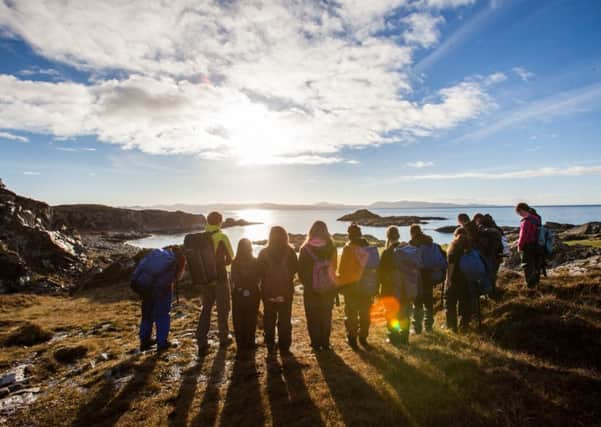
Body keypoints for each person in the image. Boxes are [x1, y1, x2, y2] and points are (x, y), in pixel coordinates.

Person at [132, 247, 187, 352]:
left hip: (146, 288)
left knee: (147, 314)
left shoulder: (160, 254)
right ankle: (162, 343)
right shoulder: (178, 259)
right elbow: (178, 277)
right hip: (162, 290)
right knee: (162, 315)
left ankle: (144, 341)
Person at [196, 211, 234, 352]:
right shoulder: (221, 236)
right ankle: (224, 337)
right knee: (223, 308)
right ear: (220, 222)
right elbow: (231, 257)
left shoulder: (200, 237)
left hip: (205, 279)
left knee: (206, 308)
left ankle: (201, 339)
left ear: (207, 221)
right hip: (220, 278)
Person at [257, 226, 299, 354]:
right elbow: (295, 269)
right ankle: (284, 344)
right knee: (285, 317)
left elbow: (259, 271)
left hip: (268, 290)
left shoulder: (263, 252)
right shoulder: (290, 252)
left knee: (269, 317)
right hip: (285, 290)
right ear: (285, 236)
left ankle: (270, 342)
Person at [298, 221, 338, 351]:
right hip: (328, 288)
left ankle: (315, 343)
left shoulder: (305, 249)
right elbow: (334, 267)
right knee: (326, 315)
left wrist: (308, 283)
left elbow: (300, 271)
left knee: (312, 316)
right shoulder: (332, 247)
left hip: (311, 289)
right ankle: (325, 342)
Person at [338, 223, 373, 350]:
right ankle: (363, 337)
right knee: (365, 312)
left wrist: (340, 284)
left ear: (349, 234)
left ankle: (352, 338)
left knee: (351, 313)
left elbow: (342, 269)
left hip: (351, 286)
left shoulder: (348, 248)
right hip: (367, 285)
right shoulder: (368, 247)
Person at [378, 226, 410, 346]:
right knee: (405, 313)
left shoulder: (387, 253)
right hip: (406, 287)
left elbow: (381, 273)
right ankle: (405, 337)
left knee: (392, 314)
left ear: (388, 237)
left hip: (391, 289)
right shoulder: (408, 250)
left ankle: (394, 336)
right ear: (398, 236)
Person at [231, 238, 261, 352]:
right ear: (250, 248)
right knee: (251, 318)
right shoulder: (255, 261)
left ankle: (240, 343)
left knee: (239, 319)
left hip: (238, 293)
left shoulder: (235, 262)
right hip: (253, 292)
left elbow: (234, 280)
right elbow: (259, 278)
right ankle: (250, 341)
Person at [409, 224, 437, 334]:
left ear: (412, 233)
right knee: (429, 301)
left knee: (417, 302)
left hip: (417, 276)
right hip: (429, 275)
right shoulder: (430, 242)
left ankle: (417, 328)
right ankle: (429, 326)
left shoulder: (412, 244)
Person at [444, 228, 473, 332]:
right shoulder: (471, 245)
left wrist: (448, 279)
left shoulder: (454, 246)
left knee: (450, 303)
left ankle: (452, 327)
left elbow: (451, 264)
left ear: (456, 235)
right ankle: (464, 325)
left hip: (455, 278)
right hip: (468, 278)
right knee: (465, 302)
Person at [516, 202, 543, 288]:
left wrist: (519, 246)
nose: (519, 214)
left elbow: (523, 236)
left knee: (527, 266)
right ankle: (536, 283)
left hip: (528, 246)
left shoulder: (526, 221)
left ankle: (530, 286)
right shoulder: (536, 218)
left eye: (519, 212)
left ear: (522, 210)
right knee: (536, 265)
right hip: (537, 245)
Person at [478, 215, 504, 297]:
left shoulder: (482, 231)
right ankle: (493, 292)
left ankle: (487, 293)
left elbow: (481, 245)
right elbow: (503, 244)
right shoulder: (498, 230)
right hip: (497, 256)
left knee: (485, 276)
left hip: (486, 256)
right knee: (493, 275)